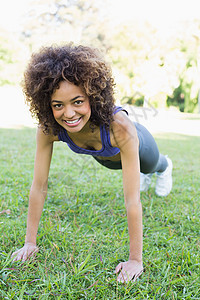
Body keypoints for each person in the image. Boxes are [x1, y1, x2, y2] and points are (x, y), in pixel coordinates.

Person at [11, 44, 173, 283]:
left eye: (77, 101)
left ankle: (165, 167)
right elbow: (39, 185)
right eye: (58, 105)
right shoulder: (49, 129)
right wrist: (29, 243)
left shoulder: (120, 128)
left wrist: (135, 260)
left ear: (93, 96)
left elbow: (131, 200)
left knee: (150, 165)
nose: (68, 113)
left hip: (140, 146)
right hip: (105, 159)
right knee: (127, 168)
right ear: (47, 103)